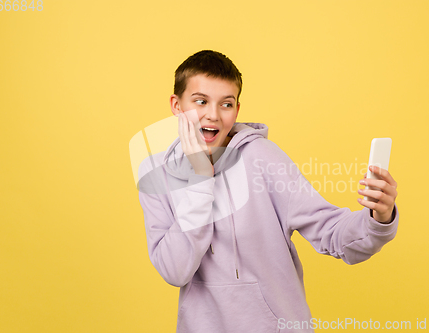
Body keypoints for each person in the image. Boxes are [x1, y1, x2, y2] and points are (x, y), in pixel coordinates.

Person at [137, 50, 399, 333]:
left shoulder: (262, 158)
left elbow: (331, 233)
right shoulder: (156, 173)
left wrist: (378, 218)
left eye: (226, 104)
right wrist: (201, 180)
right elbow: (174, 270)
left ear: (237, 110)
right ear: (177, 105)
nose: (212, 115)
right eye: (200, 101)